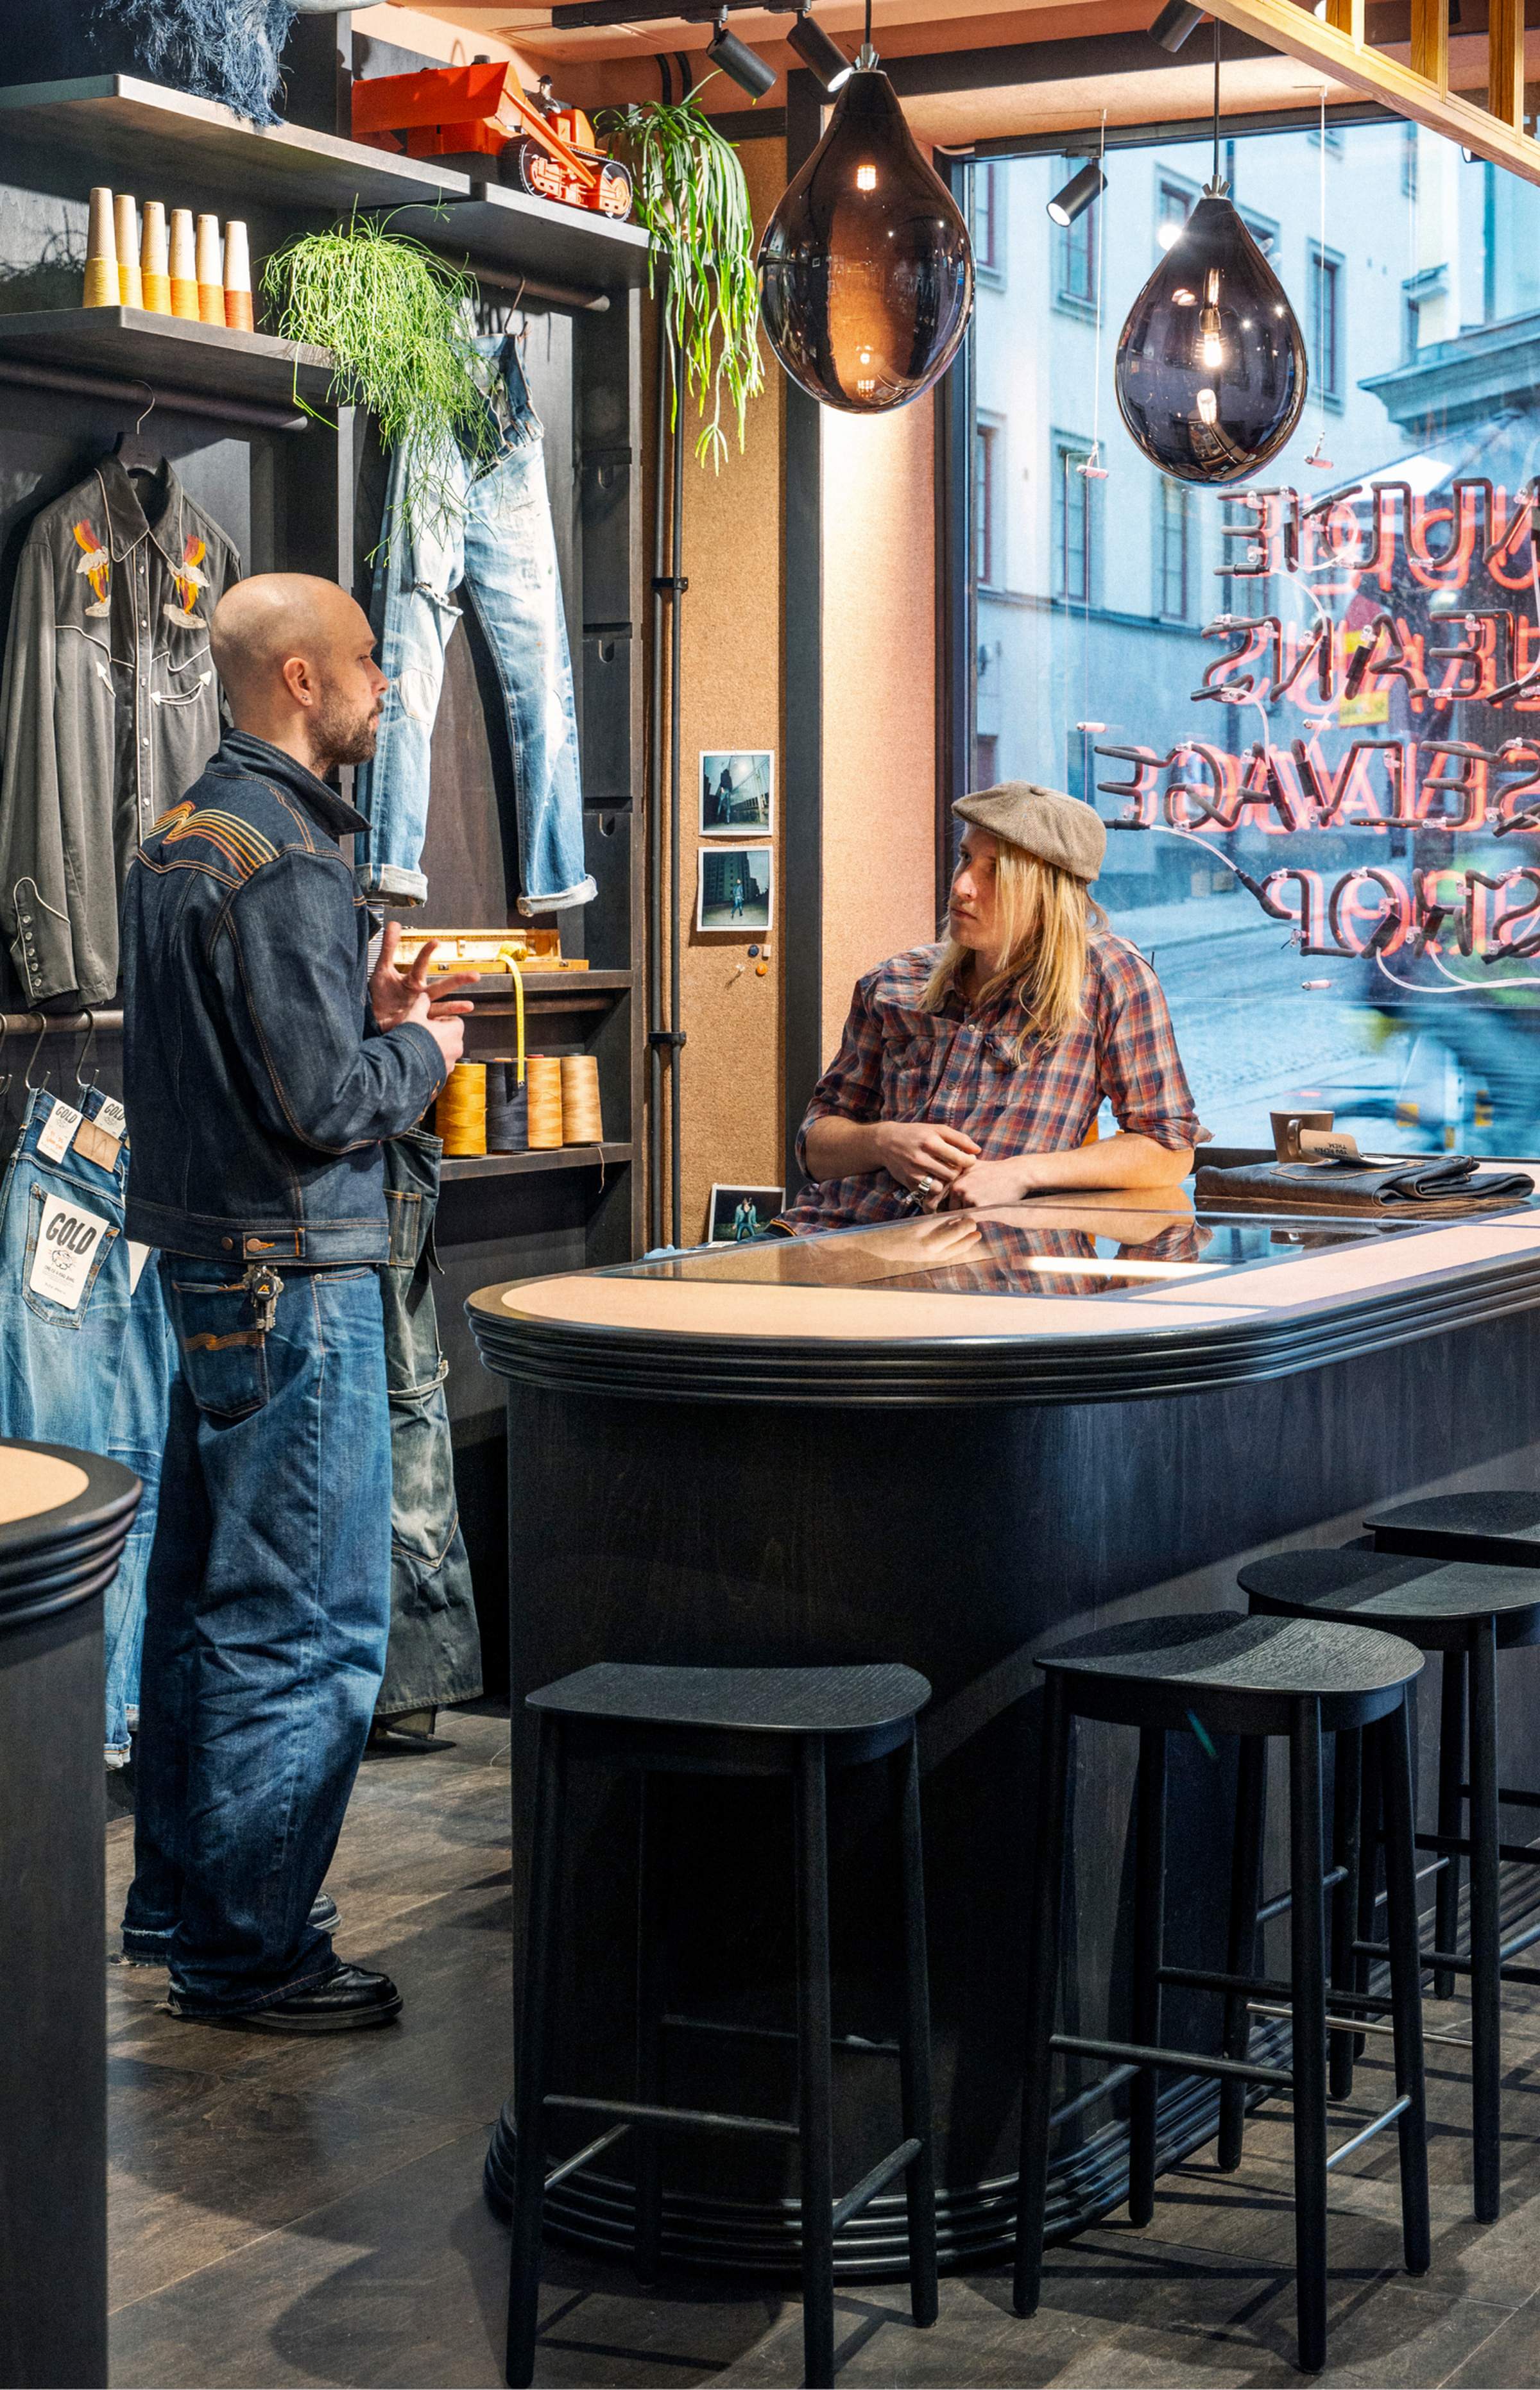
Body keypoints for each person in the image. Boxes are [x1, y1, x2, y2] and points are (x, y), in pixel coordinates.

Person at [119, 573, 477, 2032]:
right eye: (370, 663)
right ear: (301, 684)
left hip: (205, 1268)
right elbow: (328, 1101)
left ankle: (183, 1909)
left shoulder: (183, 836)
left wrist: (367, 1022)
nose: (387, 685)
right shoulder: (292, 860)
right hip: (298, 1280)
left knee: (201, 1613)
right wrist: (427, 1052)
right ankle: (254, 1950)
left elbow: (253, 1071)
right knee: (309, 1626)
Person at [778, 780, 1205, 1233]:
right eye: (965, 858)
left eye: (995, 871)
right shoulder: (893, 981)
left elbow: (1169, 1148)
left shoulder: (1110, 981)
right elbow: (814, 1146)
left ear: (1048, 895)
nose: (962, 885)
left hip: (988, 1268)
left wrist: (1022, 1173)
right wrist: (883, 1141)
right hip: (827, 1235)